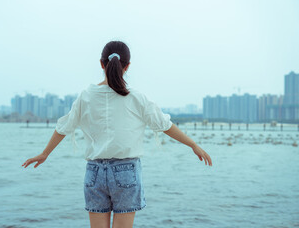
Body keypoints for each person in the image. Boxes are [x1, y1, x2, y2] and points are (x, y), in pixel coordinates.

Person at [22, 41, 212, 228]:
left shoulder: (86, 95)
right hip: (126, 172)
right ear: (127, 66)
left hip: (94, 172)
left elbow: (64, 126)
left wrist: (45, 153)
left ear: (101, 64)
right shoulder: (136, 97)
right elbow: (165, 125)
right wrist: (193, 145)